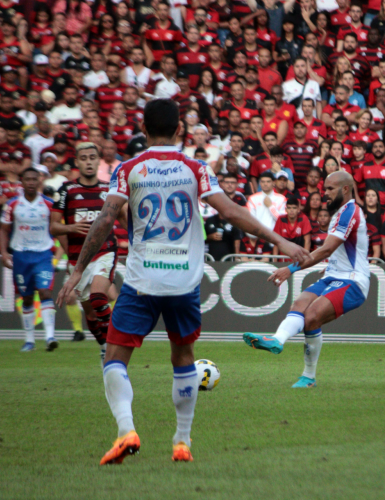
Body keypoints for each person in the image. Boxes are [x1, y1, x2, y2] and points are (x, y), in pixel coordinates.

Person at [55, 99, 309, 465]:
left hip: (142, 281)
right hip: (184, 283)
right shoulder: (196, 168)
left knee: (114, 357)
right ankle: (182, 441)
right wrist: (280, 241)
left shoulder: (128, 169)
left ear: (143, 130)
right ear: (179, 131)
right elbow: (231, 211)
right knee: (183, 357)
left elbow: (105, 219)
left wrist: (77, 270)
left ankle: (127, 429)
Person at [244, 171, 369, 388]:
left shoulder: (350, 212)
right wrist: (331, 266)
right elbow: (339, 251)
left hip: (353, 281)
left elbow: (327, 249)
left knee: (312, 316)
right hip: (333, 275)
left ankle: (308, 377)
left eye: (330, 189)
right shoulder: (340, 212)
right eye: (325, 188)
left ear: (346, 189)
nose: (325, 193)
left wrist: (290, 269)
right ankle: (277, 340)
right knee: (300, 304)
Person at [50, 142, 121, 356]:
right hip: (78, 259)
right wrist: (71, 228)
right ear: (77, 162)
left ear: (98, 161)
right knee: (90, 314)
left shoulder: (108, 189)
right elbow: (53, 226)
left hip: (104, 252)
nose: (88, 162)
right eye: (84, 158)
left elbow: (125, 217)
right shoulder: (66, 190)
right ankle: (104, 347)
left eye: (92, 157)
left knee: (100, 296)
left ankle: (114, 346)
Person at [0, 168, 58, 353]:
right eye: (27, 179)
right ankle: (29, 340)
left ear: (39, 181)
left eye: (34, 179)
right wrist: (3, 252)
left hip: (43, 254)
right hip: (21, 256)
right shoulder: (12, 204)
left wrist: (61, 251)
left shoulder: (49, 204)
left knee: (45, 292)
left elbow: (57, 227)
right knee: (26, 297)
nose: (31, 182)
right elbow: (3, 229)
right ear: (21, 182)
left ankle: (50, 337)